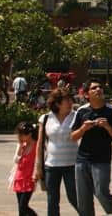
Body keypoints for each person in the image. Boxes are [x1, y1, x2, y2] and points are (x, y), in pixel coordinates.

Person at [69, 79, 112, 216]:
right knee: (83, 197)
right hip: (82, 160)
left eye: (100, 87)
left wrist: (107, 127)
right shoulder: (81, 111)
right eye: (94, 88)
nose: (98, 89)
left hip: (102, 160)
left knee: (101, 192)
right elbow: (73, 137)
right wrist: (83, 128)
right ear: (87, 95)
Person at [34, 88, 78, 216]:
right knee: (52, 200)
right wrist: (38, 167)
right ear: (58, 103)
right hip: (51, 165)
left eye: (71, 99)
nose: (70, 102)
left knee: (74, 197)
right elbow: (40, 143)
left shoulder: (76, 116)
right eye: (67, 100)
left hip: (72, 164)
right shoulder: (46, 118)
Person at [13, 121, 39, 216]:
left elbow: (38, 161)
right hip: (19, 178)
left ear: (29, 134)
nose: (19, 137)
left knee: (23, 206)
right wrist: (20, 147)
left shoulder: (37, 146)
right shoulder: (22, 145)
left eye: (21, 135)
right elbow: (16, 160)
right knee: (20, 209)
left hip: (29, 179)